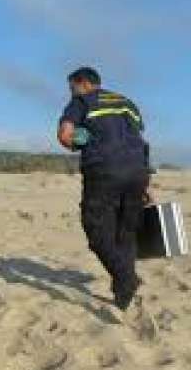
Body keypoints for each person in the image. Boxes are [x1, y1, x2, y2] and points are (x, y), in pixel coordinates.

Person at [57, 67, 151, 313]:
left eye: (71, 87)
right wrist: (145, 182)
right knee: (126, 231)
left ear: (83, 84)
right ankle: (123, 295)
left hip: (104, 171)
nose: (70, 92)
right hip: (138, 171)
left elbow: (65, 136)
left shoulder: (81, 101)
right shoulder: (126, 102)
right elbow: (137, 138)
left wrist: (79, 140)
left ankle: (125, 277)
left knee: (95, 228)